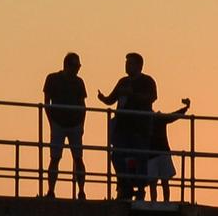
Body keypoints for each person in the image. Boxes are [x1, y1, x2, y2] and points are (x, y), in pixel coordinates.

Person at [98, 52, 158, 200]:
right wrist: (103, 98)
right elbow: (111, 99)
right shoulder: (123, 81)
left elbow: (152, 97)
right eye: (126, 62)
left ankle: (140, 189)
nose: (126, 65)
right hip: (122, 127)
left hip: (140, 128)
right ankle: (125, 184)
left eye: (130, 63)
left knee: (141, 158)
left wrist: (132, 94)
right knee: (117, 156)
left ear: (139, 65)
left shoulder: (147, 81)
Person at [42, 52, 88, 200]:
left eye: (78, 66)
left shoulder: (79, 82)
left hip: (74, 124)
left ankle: (81, 191)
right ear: (66, 65)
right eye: (75, 66)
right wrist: (51, 122)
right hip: (58, 123)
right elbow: (46, 102)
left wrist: (81, 124)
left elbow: (83, 105)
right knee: (55, 158)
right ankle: (51, 190)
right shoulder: (52, 79)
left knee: (78, 158)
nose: (77, 69)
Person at [147, 98, 190, 202]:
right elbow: (172, 117)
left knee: (155, 183)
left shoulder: (146, 120)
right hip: (161, 153)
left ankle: (155, 203)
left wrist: (184, 109)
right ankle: (165, 202)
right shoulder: (158, 118)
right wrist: (184, 109)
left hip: (154, 154)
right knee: (163, 182)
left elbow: (172, 117)